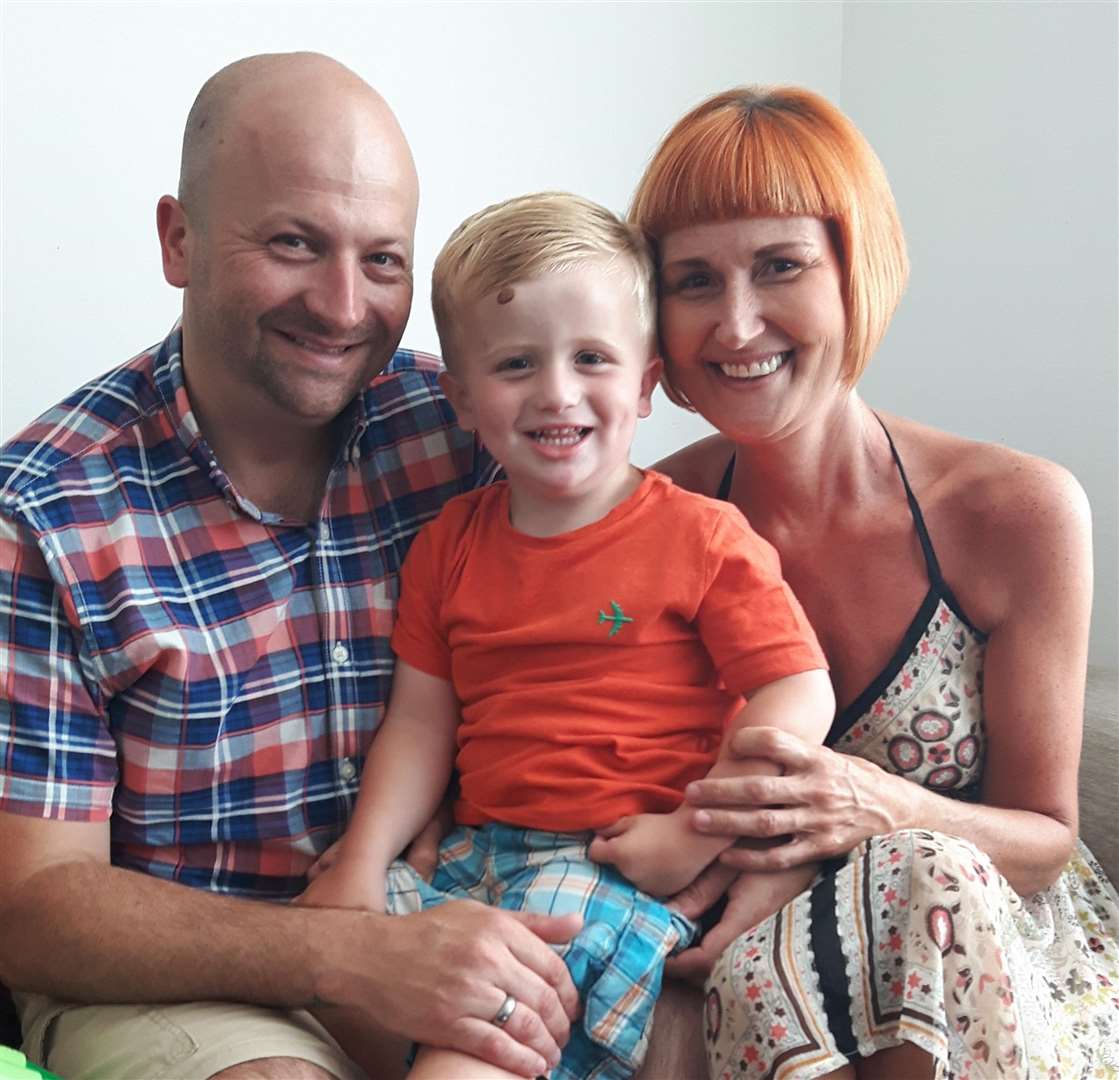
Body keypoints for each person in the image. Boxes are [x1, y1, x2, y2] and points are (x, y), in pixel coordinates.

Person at [0, 52, 587, 1080]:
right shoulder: (43, 511)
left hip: (460, 919)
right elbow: (33, 906)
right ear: (178, 239)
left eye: (384, 261)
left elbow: (651, 546)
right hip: (186, 983)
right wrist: (352, 957)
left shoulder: (466, 430)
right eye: (293, 244)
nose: (342, 304)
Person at [625, 85, 1119, 1078]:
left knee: (920, 863)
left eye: (781, 266)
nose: (736, 323)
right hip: (764, 967)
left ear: (858, 269)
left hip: (988, 958)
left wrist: (876, 802)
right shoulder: (651, 515)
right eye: (693, 281)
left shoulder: (1014, 511)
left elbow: (1043, 843)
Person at [300, 192, 836, 1080]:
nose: (557, 392)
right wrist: (361, 861)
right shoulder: (450, 543)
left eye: (591, 358)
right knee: (319, 968)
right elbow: (421, 723)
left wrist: (693, 831)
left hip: (610, 865)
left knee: (467, 1052)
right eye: (516, 364)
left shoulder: (701, 537)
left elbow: (797, 691)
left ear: (645, 383)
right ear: (462, 398)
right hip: (472, 857)